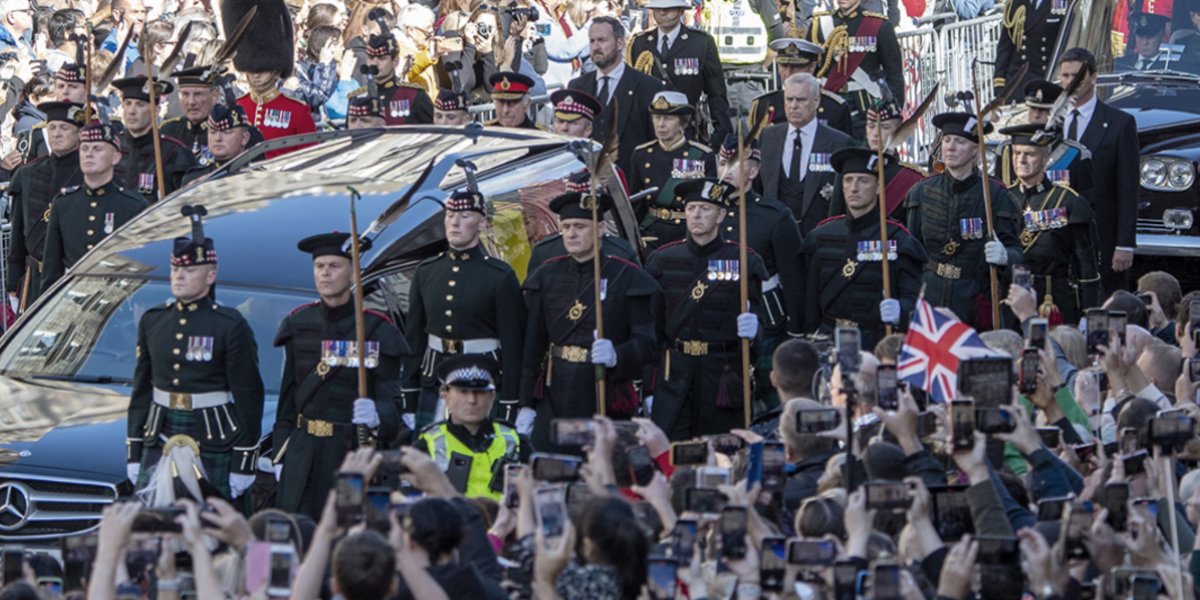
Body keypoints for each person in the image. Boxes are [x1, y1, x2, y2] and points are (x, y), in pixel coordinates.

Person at [126, 205, 265, 500]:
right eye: (175, 269)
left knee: (214, 522)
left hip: (213, 434)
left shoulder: (229, 325)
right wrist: (134, 450)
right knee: (153, 523)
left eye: (189, 271)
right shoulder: (154, 320)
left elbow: (249, 396)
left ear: (211, 275)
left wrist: (244, 460)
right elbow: (141, 391)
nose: (179, 276)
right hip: (159, 430)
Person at [272, 232, 409, 519]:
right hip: (302, 455)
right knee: (296, 530)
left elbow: (393, 406)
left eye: (334, 266)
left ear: (353, 272)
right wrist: (280, 455)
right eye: (319, 266)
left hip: (350, 455)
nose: (325, 273)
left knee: (347, 527)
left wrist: (377, 414)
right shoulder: (298, 323)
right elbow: (287, 403)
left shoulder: (376, 330)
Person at [519, 191, 661, 451]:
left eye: (580, 226)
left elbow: (647, 343)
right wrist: (526, 403)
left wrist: (617, 354)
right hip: (555, 390)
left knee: (600, 465)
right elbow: (533, 344)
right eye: (566, 227)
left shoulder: (626, 276)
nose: (571, 234)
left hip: (603, 390)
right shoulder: (546, 275)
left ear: (600, 229)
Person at [645, 178, 766, 440]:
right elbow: (652, 331)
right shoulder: (662, 260)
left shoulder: (744, 261)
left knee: (722, 452)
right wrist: (648, 388)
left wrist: (754, 330)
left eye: (705, 208)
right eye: (691, 208)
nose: (696, 215)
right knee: (673, 453)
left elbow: (759, 323)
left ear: (721, 215)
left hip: (722, 375)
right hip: (675, 376)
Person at [402, 190, 525, 431]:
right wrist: (409, 395)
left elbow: (513, 346)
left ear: (482, 222)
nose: (455, 223)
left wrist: (510, 403)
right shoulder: (426, 271)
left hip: (482, 377)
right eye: (450, 215)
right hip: (435, 378)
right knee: (432, 447)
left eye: (465, 216)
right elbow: (414, 340)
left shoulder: (499, 276)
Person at [903, 112, 1023, 328]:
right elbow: (912, 253)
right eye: (947, 140)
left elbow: (1017, 252)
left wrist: (1005, 256)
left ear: (975, 150)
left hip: (974, 299)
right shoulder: (921, 192)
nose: (950, 147)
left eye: (959, 141)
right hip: (931, 294)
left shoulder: (996, 195)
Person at [801, 146, 926, 349]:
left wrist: (901, 311)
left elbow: (915, 300)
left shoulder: (897, 239)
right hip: (828, 341)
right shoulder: (820, 236)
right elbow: (809, 301)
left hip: (876, 344)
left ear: (878, 187)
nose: (854, 188)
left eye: (863, 180)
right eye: (848, 180)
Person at [714, 134, 804, 411]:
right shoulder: (707, 213)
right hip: (718, 321)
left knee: (772, 399)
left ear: (753, 172)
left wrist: (795, 329)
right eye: (722, 163)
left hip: (767, 320)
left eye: (734, 164)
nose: (726, 171)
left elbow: (793, 277)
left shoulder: (774, 216)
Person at [1000, 123, 1100, 325]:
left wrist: (1088, 312)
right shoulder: (1002, 198)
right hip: (1011, 297)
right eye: (1017, 153)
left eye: (1029, 154)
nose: (1021, 160)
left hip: (1052, 298)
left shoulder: (1069, 201)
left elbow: (1086, 263)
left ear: (1045, 159)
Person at [1059, 47, 1139, 293]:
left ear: (1094, 78)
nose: (1070, 82)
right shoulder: (1052, 122)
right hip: (1057, 235)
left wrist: (1125, 244)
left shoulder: (1119, 123)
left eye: (1077, 76)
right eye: (1065, 76)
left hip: (1101, 234)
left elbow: (1128, 188)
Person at [40, 122, 147, 290]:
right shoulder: (63, 203)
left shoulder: (133, 206)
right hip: (72, 295)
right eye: (84, 148)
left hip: (115, 296)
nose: (89, 154)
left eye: (97, 149)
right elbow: (51, 269)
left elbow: (138, 267)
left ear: (115, 157)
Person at [415, 354, 531, 500]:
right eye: (463, 392)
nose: (472, 400)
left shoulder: (517, 442)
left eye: (479, 392)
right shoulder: (426, 445)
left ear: (492, 396)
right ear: (446, 396)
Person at [5, 101, 83, 305]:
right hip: (34, 280)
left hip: (73, 278)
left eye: (64, 128)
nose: (57, 134)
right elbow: (18, 231)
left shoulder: (88, 173)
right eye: (52, 127)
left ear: (78, 134)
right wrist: (13, 282)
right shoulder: (27, 174)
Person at [758, 73, 853, 236]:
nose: (793, 106)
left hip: (821, 236)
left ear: (816, 101)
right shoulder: (768, 137)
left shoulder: (839, 142)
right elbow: (759, 187)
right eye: (789, 99)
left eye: (801, 100)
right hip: (775, 237)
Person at [627, 0, 732, 145]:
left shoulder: (700, 43)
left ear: (681, 10)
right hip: (648, 132)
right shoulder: (639, 43)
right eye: (657, 8)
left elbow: (716, 92)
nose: (662, 13)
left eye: (669, 8)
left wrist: (721, 134)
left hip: (686, 130)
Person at [568, 16, 664, 172]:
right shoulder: (577, 86)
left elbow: (656, 141)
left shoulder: (648, 87)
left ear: (620, 43)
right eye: (592, 41)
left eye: (602, 40)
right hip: (587, 178)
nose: (596, 46)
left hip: (630, 178)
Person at [227, 0, 317, 159]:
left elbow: (310, 157)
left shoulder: (297, 111)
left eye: (262, 70)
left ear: (276, 71)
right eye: (252, 69)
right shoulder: (238, 106)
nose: (256, 74)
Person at [628, 90, 716, 250]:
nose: (661, 124)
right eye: (657, 117)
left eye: (668, 118)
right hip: (651, 232)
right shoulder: (641, 154)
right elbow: (637, 204)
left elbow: (709, 203)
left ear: (682, 122)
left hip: (686, 232)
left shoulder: (702, 155)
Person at [806, 0, 903, 135]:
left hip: (866, 108)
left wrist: (894, 113)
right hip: (828, 105)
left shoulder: (879, 25)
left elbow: (894, 74)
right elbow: (809, 70)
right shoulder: (819, 25)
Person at [826, 96, 924, 222]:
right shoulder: (850, 165)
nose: (876, 133)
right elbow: (835, 217)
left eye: (885, 127)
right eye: (871, 126)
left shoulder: (908, 176)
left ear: (899, 129)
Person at [995, 79, 1094, 198]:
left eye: (1043, 110)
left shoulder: (1075, 154)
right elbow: (998, 195)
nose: (1036, 115)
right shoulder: (1007, 150)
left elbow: (1085, 200)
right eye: (1033, 109)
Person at [112, 75, 197, 202]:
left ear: (156, 110)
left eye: (140, 105)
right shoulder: (111, 147)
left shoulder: (175, 152)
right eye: (128, 103)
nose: (131, 111)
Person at [748, 38, 852, 135]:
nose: (788, 72)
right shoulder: (764, 104)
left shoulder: (834, 107)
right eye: (784, 66)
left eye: (797, 66)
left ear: (812, 67)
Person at [993, 0, 1067, 97]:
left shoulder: (1063, 3)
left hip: (1046, 80)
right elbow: (1005, 46)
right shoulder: (1015, 3)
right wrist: (999, 83)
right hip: (1016, 83)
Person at [366, 32, 434, 125]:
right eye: (371, 58)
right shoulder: (360, 97)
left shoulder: (414, 95)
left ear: (395, 61)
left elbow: (434, 130)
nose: (374, 63)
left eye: (382, 58)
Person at [161, 66, 223, 166]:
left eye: (198, 94)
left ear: (215, 95)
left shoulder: (226, 132)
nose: (191, 102)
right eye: (185, 94)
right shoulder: (168, 131)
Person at [181, 104, 256, 186]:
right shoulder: (193, 179)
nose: (218, 138)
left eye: (226, 132)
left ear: (244, 138)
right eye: (212, 132)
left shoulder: (257, 177)